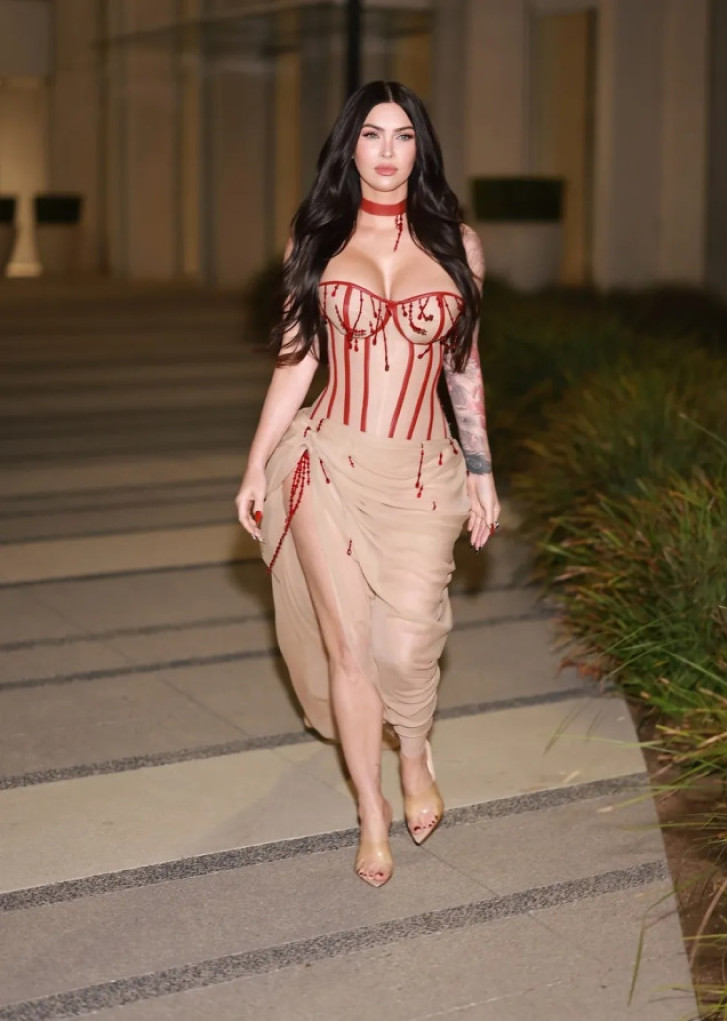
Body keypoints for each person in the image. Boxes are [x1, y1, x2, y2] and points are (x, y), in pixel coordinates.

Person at [235, 80, 500, 888]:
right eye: (373, 134)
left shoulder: (458, 244)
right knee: (349, 648)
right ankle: (371, 811)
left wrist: (483, 470)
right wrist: (255, 463)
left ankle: (414, 751)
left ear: (422, 148)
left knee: (407, 642)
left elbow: (464, 368)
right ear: (349, 146)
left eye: (403, 135)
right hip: (327, 462)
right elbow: (296, 361)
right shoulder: (315, 237)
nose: (388, 151)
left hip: (422, 473)